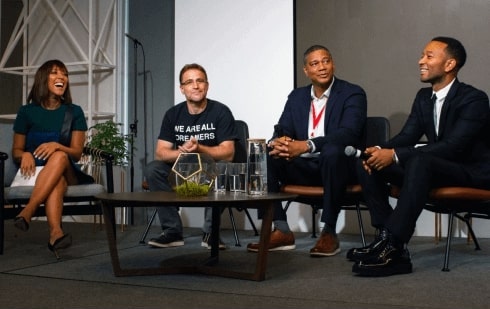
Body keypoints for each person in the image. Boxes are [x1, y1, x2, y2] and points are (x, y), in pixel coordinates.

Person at [348, 36, 490, 276]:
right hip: (435, 170)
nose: (420, 61)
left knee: (418, 159)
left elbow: (454, 146)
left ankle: (394, 245)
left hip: (470, 173)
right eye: (422, 55)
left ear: (449, 65)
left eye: (429, 56)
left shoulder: (474, 99)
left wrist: (394, 155)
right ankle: (386, 238)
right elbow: (406, 137)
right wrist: (380, 152)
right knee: (368, 162)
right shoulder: (424, 97)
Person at [247, 45, 367, 256]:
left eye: (326, 61)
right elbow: (283, 129)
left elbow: (348, 134)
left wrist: (307, 145)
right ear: (306, 71)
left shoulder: (352, 93)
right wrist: (279, 142)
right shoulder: (297, 97)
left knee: (332, 152)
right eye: (315, 63)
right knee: (265, 155)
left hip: (337, 168)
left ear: (333, 64)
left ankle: (329, 231)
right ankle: (281, 229)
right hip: (305, 167)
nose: (322, 67)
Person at [144, 63, 237, 249]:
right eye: (189, 82)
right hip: (181, 172)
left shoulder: (221, 111)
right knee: (153, 168)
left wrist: (199, 149)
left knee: (225, 168)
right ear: (182, 88)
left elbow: (228, 153)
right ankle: (172, 232)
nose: (195, 86)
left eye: (200, 81)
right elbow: (161, 152)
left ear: (207, 85)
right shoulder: (173, 114)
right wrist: (182, 152)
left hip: (210, 173)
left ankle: (211, 233)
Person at [12, 59, 94, 258]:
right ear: (43, 79)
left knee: (59, 156)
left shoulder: (74, 112)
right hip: (36, 172)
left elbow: (75, 152)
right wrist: (25, 154)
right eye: (55, 73)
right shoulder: (26, 112)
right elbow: (16, 150)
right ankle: (56, 234)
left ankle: (28, 210)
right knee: (56, 181)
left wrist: (57, 145)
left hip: (69, 169)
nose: (62, 78)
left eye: (65, 74)